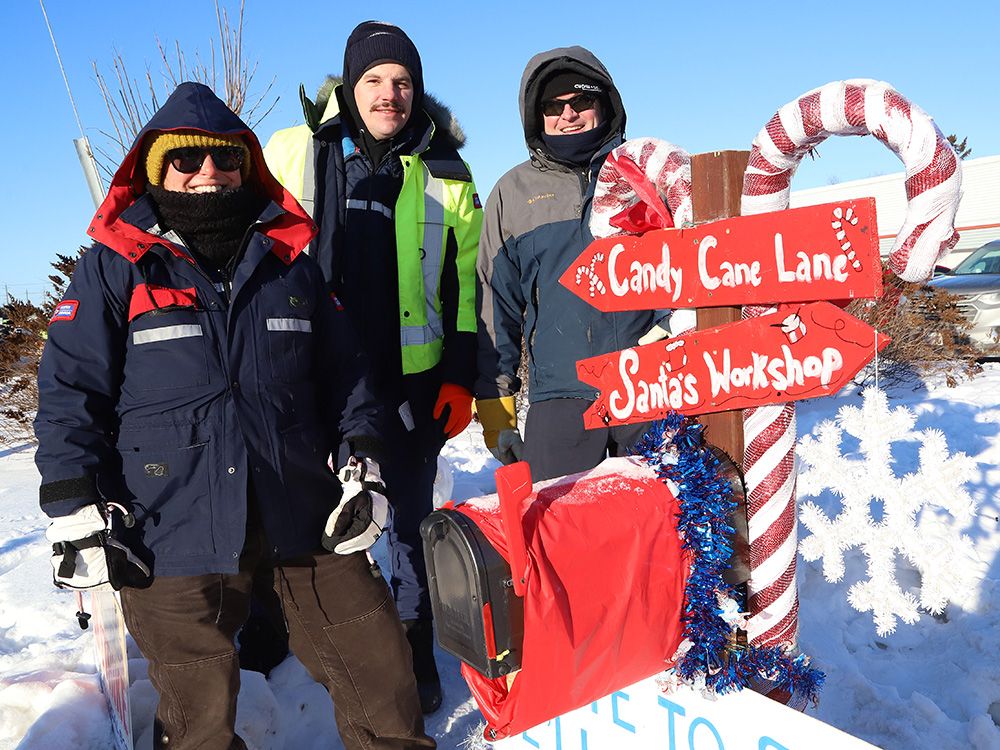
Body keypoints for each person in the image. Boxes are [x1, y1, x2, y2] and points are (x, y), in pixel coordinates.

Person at [34, 81, 435, 750]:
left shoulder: (290, 267)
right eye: (185, 161)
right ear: (156, 170)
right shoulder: (116, 270)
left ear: (248, 167)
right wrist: (75, 502)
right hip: (169, 520)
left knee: (377, 668)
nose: (207, 173)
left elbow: (348, 379)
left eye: (225, 159)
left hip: (305, 510)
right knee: (198, 709)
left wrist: (362, 458)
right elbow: (70, 391)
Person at [264, 21, 482, 713]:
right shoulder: (294, 151)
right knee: (310, 520)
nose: (390, 95)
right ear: (349, 86)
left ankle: (413, 646)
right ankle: (302, 642)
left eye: (402, 82)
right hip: (310, 376)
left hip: (409, 382)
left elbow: (464, 284)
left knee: (412, 525)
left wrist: (460, 372)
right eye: (375, 81)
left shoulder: (448, 169)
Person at [475, 47, 663, 482]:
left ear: (605, 105)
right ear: (535, 116)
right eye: (553, 107)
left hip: (651, 390)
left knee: (667, 533)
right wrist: (495, 406)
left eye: (581, 101)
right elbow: (494, 304)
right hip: (560, 402)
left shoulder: (647, 173)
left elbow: (690, 268)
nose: (569, 115)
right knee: (562, 538)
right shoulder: (513, 193)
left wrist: (672, 332)